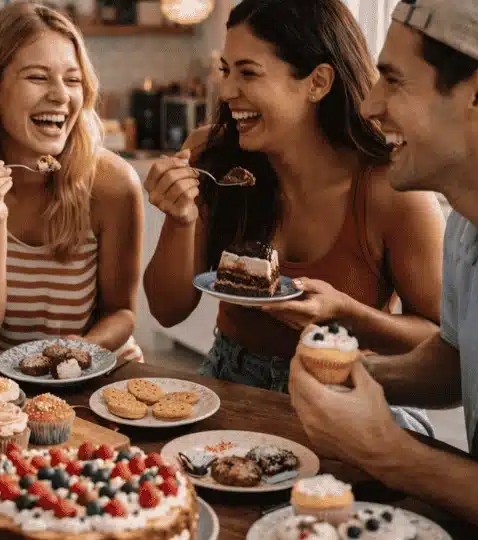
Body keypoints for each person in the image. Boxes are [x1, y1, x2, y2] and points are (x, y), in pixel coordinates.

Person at [289, 0, 478, 537]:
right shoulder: (471, 220)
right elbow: (460, 359)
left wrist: (389, 453)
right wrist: (355, 381)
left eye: (394, 80)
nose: (369, 105)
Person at [142, 0, 443, 431]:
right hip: (231, 381)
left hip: (348, 387)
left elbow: (440, 341)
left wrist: (347, 315)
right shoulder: (213, 157)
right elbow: (167, 310)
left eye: (248, 73)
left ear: (317, 82)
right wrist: (180, 219)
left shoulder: (392, 190)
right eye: (226, 70)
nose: (226, 91)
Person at [0, 3, 144, 362]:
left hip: (90, 364)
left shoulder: (113, 183)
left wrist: (78, 353)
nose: (61, 95)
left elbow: (122, 313)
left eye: (73, 80)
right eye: (38, 77)